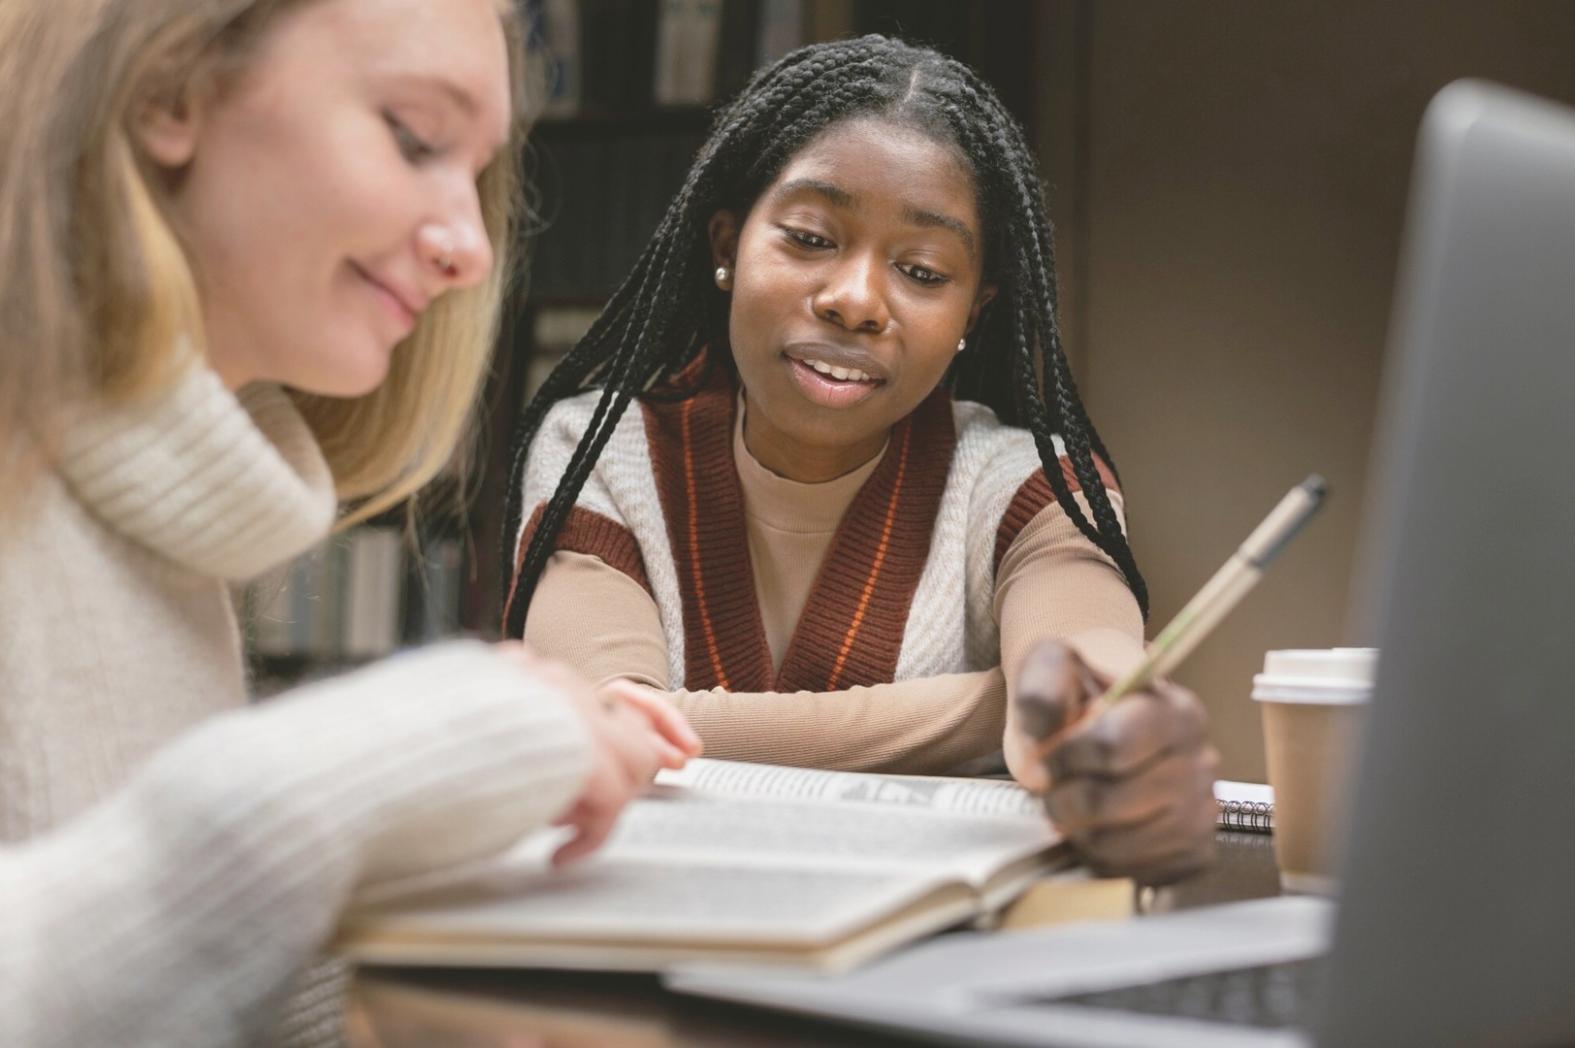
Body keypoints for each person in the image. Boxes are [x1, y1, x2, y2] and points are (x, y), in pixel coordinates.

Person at [0, 1, 699, 1045]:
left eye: (477, 173)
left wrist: (461, 841)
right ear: (167, 91)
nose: (469, 248)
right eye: (415, 137)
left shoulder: (166, 540)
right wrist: (374, 760)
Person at [503, 36, 1217, 886]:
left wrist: (1099, 717)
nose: (854, 301)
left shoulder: (1035, 485)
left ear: (971, 312)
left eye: (920, 270)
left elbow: (1079, 681)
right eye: (809, 238)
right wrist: (994, 708)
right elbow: (608, 722)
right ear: (728, 245)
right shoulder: (599, 450)